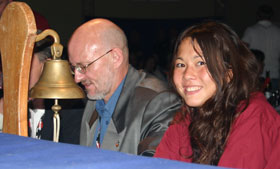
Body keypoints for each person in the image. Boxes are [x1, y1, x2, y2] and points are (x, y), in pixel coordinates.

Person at [154, 21, 280, 168]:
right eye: (181, 65)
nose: (187, 75)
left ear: (228, 73)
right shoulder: (185, 116)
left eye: (200, 63)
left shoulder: (254, 114)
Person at [67, 18, 181, 156]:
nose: (77, 78)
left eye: (83, 66)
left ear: (115, 57)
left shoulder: (159, 102)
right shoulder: (96, 96)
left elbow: (155, 164)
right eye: (74, 68)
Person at [242, 4, 280, 91]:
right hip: (274, 73)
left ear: (258, 15)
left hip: (256, 74)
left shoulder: (251, 30)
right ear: (272, 16)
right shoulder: (278, 32)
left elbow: (242, 51)